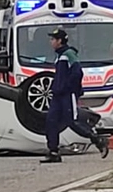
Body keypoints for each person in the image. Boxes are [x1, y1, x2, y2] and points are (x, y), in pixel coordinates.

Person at [43, 28, 109, 163]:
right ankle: (53, 151)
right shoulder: (60, 55)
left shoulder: (69, 54)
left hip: (66, 95)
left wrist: (68, 88)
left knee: (72, 122)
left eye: (53, 39)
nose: (51, 42)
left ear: (59, 41)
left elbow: (77, 73)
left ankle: (97, 140)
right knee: (51, 121)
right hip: (57, 95)